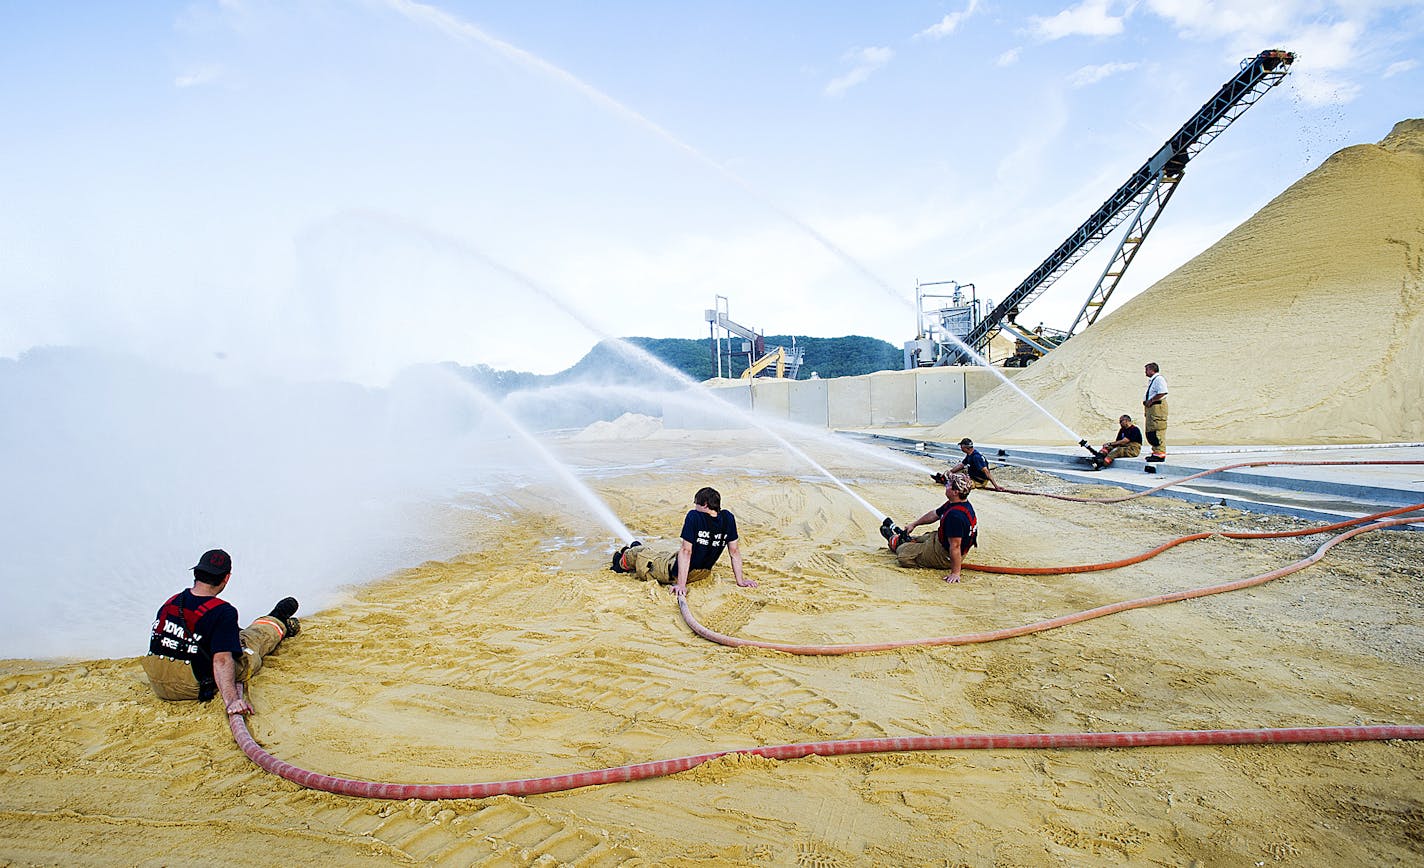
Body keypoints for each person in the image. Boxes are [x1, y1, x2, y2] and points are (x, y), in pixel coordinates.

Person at [142, 548, 301, 716]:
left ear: (196, 573)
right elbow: (222, 660)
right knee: (251, 642)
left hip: (158, 684)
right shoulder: (223, 611)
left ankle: (264, 624)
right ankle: (277, 620)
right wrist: (232, 701)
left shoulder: (172, 601)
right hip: (191, 686)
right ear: (226, 578)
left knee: (226, 636)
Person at [610, 487, 756, 588]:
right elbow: (734, 551)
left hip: (676, 574)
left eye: (696, 504)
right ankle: (635, 546)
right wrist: (740, 581)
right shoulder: (728, 517)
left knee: (637, 554)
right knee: (662, 555)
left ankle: (622, 561)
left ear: (704, 504)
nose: (694, 507)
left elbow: (686, 551)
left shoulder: (694, 516)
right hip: (703, 573)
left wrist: (681, 584)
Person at [880, 472, 979, 584]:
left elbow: (955, 546)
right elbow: (935, 514)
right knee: (920, 539)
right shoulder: (956, 503)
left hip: (944, 555)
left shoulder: (955, 517)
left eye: (949, 485)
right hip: (940, 540)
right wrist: (914, 524)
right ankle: (908, 541)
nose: (946, 485)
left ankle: (894, 541)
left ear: (956, 492)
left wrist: (955, 573)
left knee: (903, 556)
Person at [1143, 362, 1169, 462]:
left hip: (1157, 407)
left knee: (1157, 430)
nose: (1145, 372)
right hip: (1152, 408)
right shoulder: (1153, 380)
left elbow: (1162, 392)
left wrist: (1151, 400)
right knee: (1151, 430)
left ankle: (1160, 454)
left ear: (1151, 370)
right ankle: (1155, 452)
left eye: (1146, 370)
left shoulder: (1159, 379)